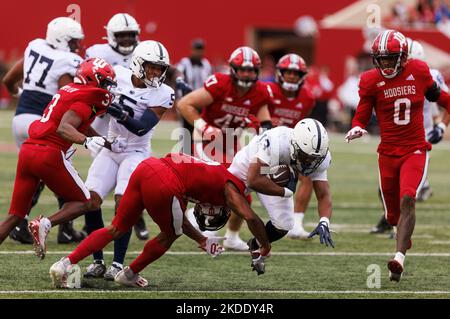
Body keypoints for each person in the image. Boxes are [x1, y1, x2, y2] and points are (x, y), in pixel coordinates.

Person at [49, 153, 271, 288]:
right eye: (215, 211)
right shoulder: (231, 189)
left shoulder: (211, 170)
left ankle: (64, 264)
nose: (210, 212)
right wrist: (265, 246)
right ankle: (129, 274)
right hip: (165, 181)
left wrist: (202, 239)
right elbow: (251, 217)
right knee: (170, 234)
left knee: (116, 228)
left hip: (147, 167)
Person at [345, 30, 450, 282]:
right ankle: (403, 234)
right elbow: (362, 112)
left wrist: (444, 121)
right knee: (393, 215)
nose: (387, 64)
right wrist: (357, 125)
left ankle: (398, 257)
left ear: (403, 57)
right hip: (388, 152)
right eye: (382, 59)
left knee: (408, 198)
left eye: (391, 58)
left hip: (415, 148)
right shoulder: (370, 80)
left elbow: (441, 97)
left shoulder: (419, 71)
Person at [0, 58, 119, 254]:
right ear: (91, 79)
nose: (107, 87)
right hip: (48, 153)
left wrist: (104, 142)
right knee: (87, 202)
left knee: (14, 216)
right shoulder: (88, 98)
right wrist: (86, 141)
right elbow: (65, 127)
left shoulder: (70, 89)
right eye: (104, 82)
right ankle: (45, 223)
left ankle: (42, 224)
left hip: (29, 151)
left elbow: (80, 121)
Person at [177, 46, 273, 251]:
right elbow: (185, 104)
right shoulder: (220, 84)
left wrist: (262, 132)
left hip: (232, 142)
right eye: (243, 69)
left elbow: (265, 120)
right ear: (233, 69)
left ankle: (231, 236)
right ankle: (203, 222)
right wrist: (205, 127)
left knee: (244, 190)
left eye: (251, 70)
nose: (247, 74)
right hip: (207, 140)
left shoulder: (260, 92)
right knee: (216, 182)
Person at [2, 17, 85, 245]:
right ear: (61, 39)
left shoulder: (35, 48)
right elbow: (68, 96)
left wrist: (21, 94)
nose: (76, 46)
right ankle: (65, 229)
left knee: (36, 173)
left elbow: (9, 80)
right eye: (73, 42)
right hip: (41, 124)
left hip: (20, 119)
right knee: (63, 170)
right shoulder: (66, 60)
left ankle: (20, 222)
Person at [228, 118, 335, 274]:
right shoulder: (277, 141)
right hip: (249, 166)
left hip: (276, 174)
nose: (310, 163)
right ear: (295, 145)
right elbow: (253, 179)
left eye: (314, 159)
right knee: (219, 204)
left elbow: (323, 193)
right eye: (306, 157)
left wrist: (324, 221)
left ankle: (256, 244)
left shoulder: (320, 157)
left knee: (284, 224)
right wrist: (285, 191)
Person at [84, 13, 149, 242]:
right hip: (102, 116)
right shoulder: (97, 52)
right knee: (100, 172)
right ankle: (92, 220)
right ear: (111, 36)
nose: (126, 40)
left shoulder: (144, 52)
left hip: (129, 115)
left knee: (129, 178)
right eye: (121, 36)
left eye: (130, 35)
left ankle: (135, 216)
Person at [266, 53, 316, 239]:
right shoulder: (267, 90)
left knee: (307, 174)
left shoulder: (307, 97)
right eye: (288, 72)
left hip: (291, 145)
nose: (292, 76)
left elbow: (302, 125)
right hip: (266, 143)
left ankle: (296, 223)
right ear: (280, 73)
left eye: (296, 73)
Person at [176, 38, 212, 152]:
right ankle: (186, 154)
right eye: (197, 49)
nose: (198, 52)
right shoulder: (184, 63)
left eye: (201, 49)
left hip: (202, 103)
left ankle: (198, 153)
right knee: (187, 129)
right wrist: (178, 99)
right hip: (187, 102)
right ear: (192, 50)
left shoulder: (206, 64)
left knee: (200, 129)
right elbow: (178, 79)